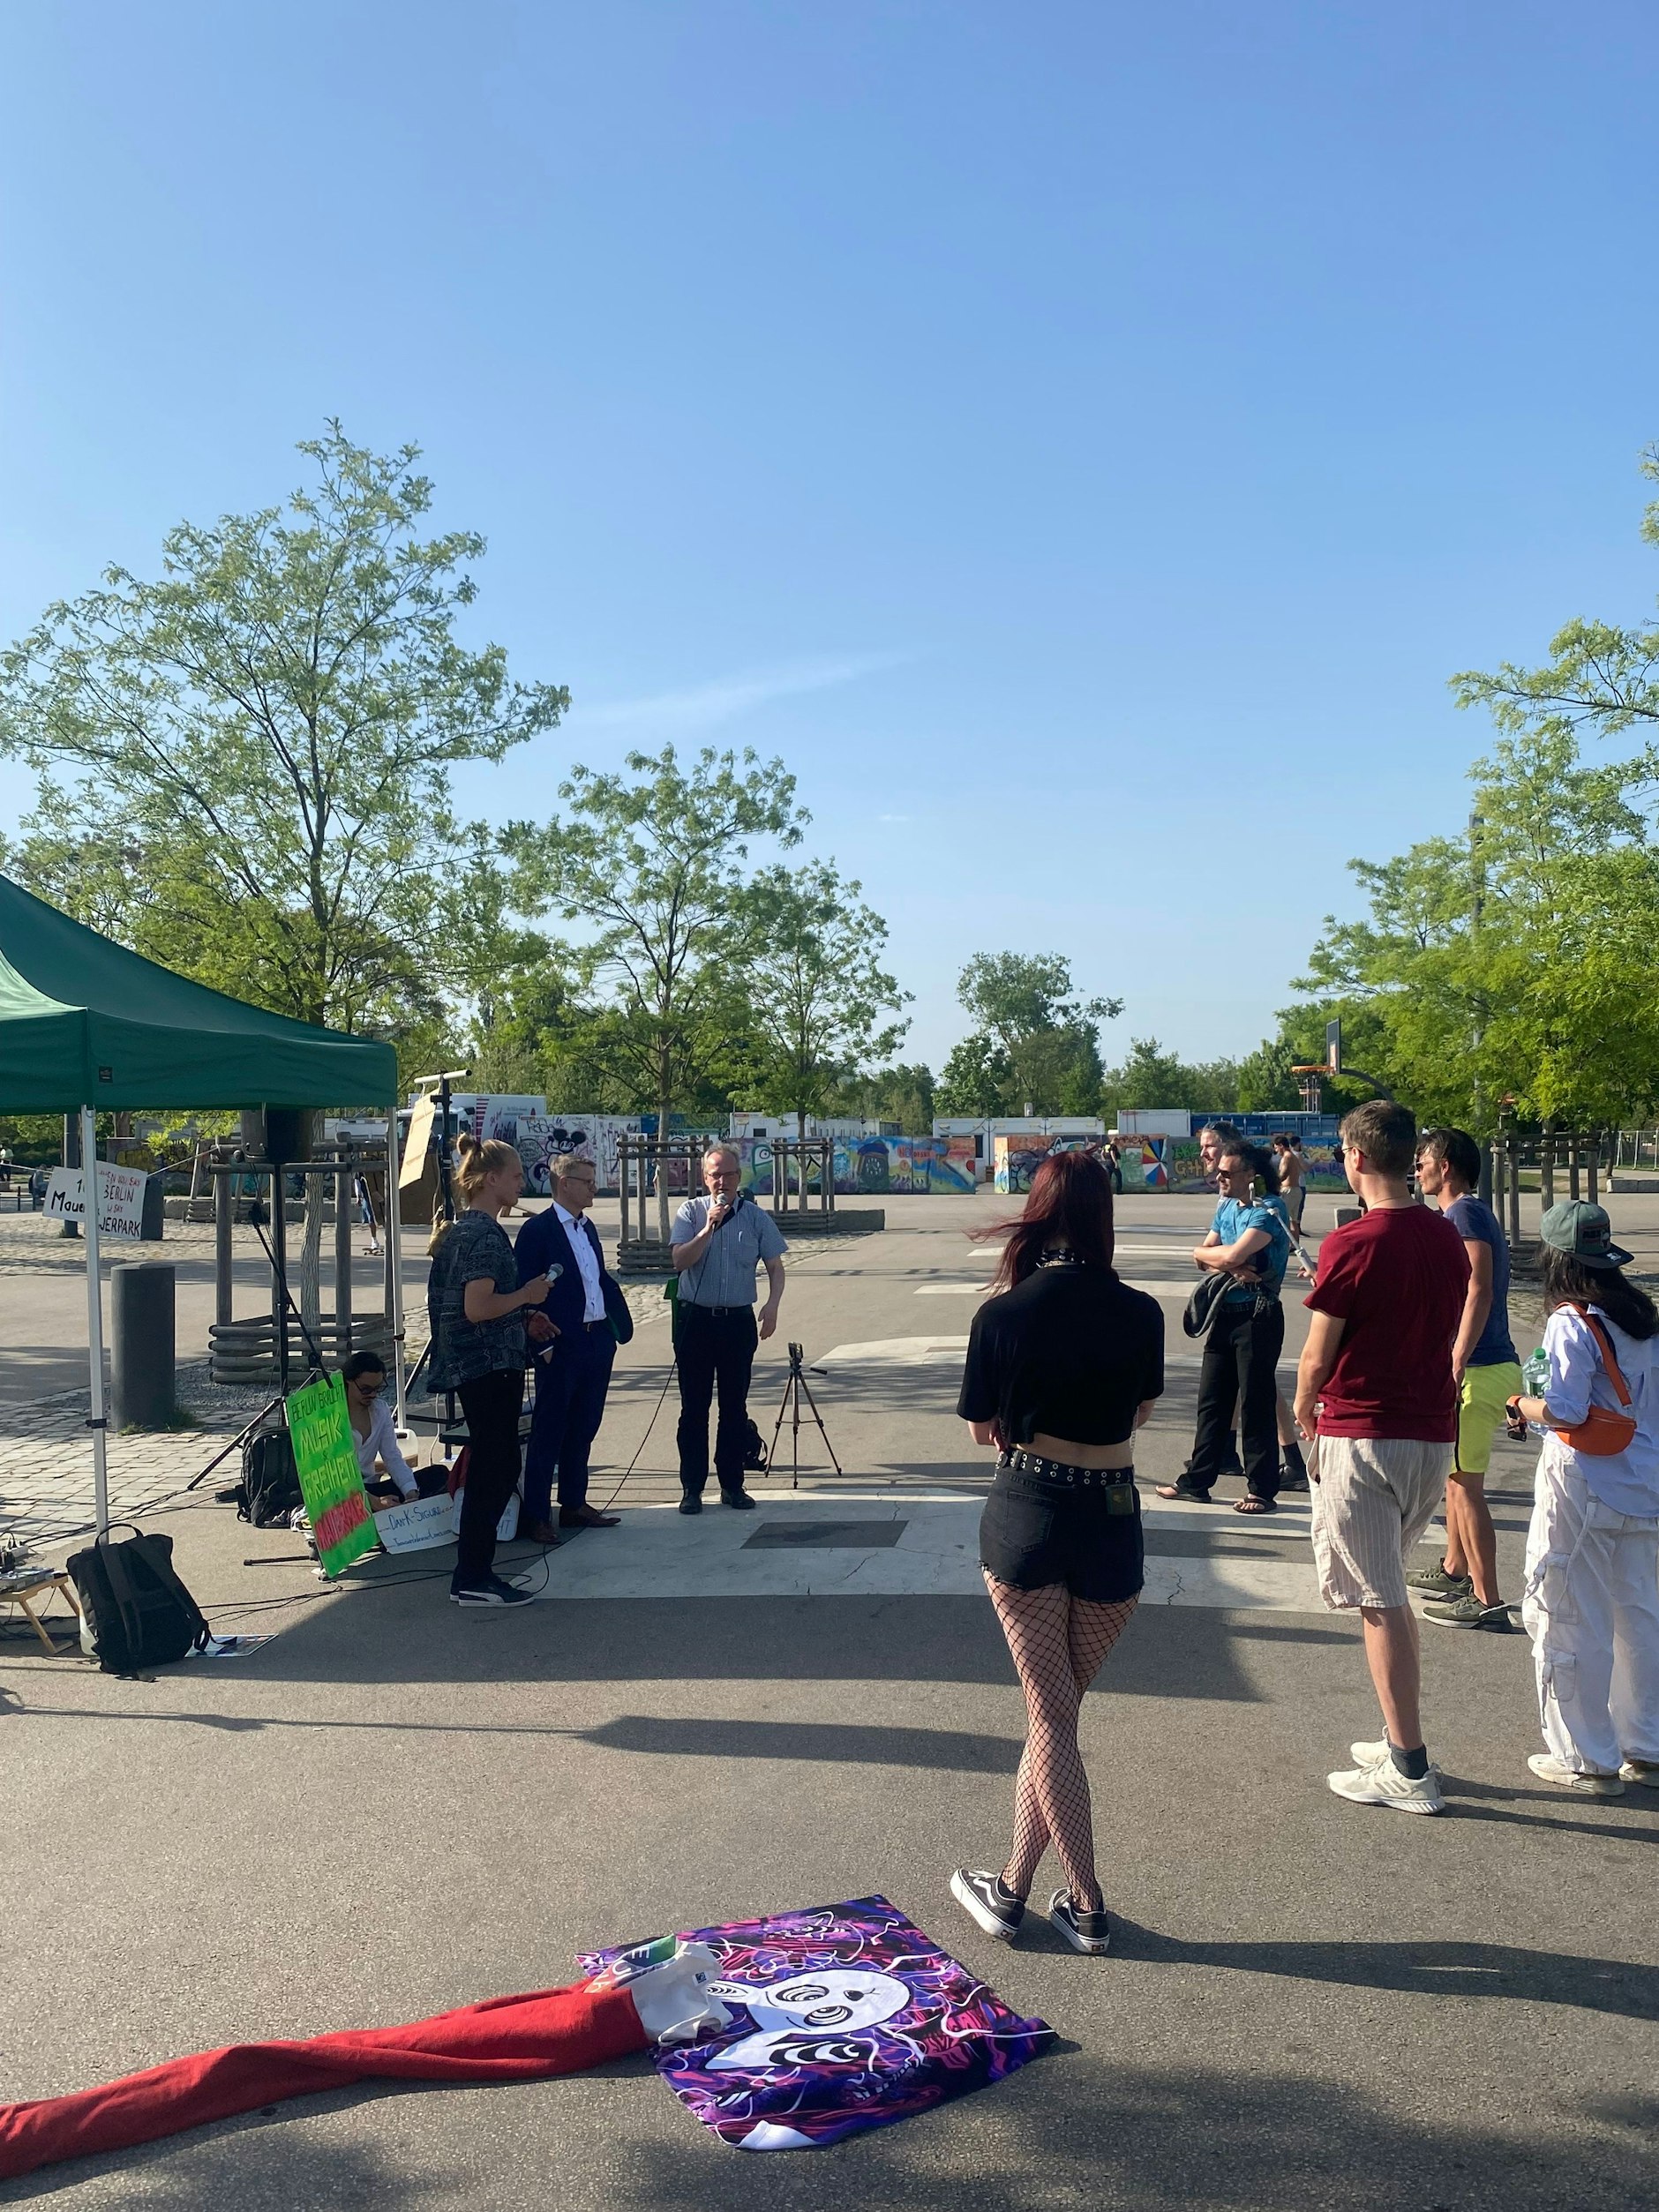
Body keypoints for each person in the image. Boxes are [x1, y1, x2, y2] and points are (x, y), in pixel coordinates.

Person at [950, 1151, 1161, 1957]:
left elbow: (982, 1430)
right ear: (1103, 1217)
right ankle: (1011, 1888)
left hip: (1029, 1512)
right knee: (1058, 1715)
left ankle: (1089, 1902)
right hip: (1112, 1519)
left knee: (1050, 1716)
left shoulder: (1002, 1315)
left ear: (1038, 1213)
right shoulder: (1140, 1311)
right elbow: (1138, 1413)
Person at [1294, 1100, 1469, 1812]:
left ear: (1358, 1156)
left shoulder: (1353, 1242)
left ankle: (1409, 1764)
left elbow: (1317, 1353)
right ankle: (1399, 1737)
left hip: (1364, 1432)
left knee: (1380, 1600)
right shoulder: (1445, 1234)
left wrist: (1303, 1408)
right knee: (1388, 1589)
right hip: (1430, 1433)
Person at [1505, 1202, 1659, 1795]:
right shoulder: (1642, 1318)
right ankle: (1645, 1743)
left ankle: (1585, 1757)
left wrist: (1522, 1406)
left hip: (1584, 1483)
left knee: (1567, 1613)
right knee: (1637, 1617)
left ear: (1556, 1258)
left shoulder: (1572, 1320)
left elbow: (1566, 1410)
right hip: (1643, 1482)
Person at [425, 1136, 551, 1606]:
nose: (522, 1184)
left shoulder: (463, 1230)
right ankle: (473, 1575)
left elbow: (473, 1306)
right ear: (491, 1178)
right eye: (516, 1176)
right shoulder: (482, 1234)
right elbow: (477, 1308)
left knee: (494, 1464)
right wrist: (526, 1296)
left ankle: (474, 1572)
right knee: (495, 1467)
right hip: (487, 1365)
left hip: (477, 1362)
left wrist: (522, 1315)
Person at [1407, 1128, 1522, 1631]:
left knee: (1465, 1486)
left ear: (1446, 1166)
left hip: (1479, 1368)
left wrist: (1456, 1359)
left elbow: (1479, 1288)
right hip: (1485, 1365)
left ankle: (1487, 1599)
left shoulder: (1465, 1214)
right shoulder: (1461, 1214)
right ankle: (1455, 1569)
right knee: (1455, 1480)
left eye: (1422, 1162)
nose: (1417, 1170)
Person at [1158, 1138, 1292, 1513]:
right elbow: (1202, 1255)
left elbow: (1230, 1252)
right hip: (1225, 1313)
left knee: (1255, 1402)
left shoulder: (1269, 1209)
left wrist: (1223, 1258)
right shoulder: (1226, 1207)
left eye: (1227, 1173)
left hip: (1258, 1314)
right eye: (1219, 1173)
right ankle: (1197, 1481)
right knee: (1212, 1400)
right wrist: (1224, 1262)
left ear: (1251, 1174)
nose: (1219, 1178)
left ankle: (1261, 1489)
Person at [514, 1152, 634, 1541]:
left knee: (584, 1425)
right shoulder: (538, 1231)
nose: (594, 1188)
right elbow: (523, 1289)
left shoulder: (588, 1228)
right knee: (550, 1429)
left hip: (595, 1339)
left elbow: (596, 1279)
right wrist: (540, 1344)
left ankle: (574, 1503)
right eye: (587, 1182)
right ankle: (537, 1514)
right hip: (559, 1343)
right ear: (565, 1184)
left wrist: (614, 1330)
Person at [670, 1145, 788, 1513]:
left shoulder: (755, 1217)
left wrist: (772, 1305)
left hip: (737, 1322)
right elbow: (679, 1260)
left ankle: (732, 1485)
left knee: (734, 1408)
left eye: (729, 1174)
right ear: (704, 1178)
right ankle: (692, 1488)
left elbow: (775, 1266)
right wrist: (708, 1227)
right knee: (694, 1409)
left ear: (739, 1177)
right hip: (696, 1321)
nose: (722, 1182)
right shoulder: (690, 1212)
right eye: (715, 1175)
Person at [342, 1350, 442, 1503]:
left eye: (377, 1388)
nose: (373, 1395)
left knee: (438, 1474)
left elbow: (392, 1456)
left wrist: (410, 1491)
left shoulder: (380, 1410)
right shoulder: (332, 1414)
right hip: (341, 1494)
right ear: (348, 1381)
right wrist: (375, 1502)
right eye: (365, 1389)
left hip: (370, 1486)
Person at [1271, 1133, 1306, 1238]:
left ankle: (1284, 1243)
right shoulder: (1293, 1156)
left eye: (1276, 1148)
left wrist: (1274, 1184)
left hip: (1288, 1190)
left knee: (1283, 1219)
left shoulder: (1287, 1157)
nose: (1276, 1151)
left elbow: (1284, 1174)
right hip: (1296, 1190)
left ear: (1281, 1145)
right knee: (1293, 1221)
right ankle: (1295, 1244)